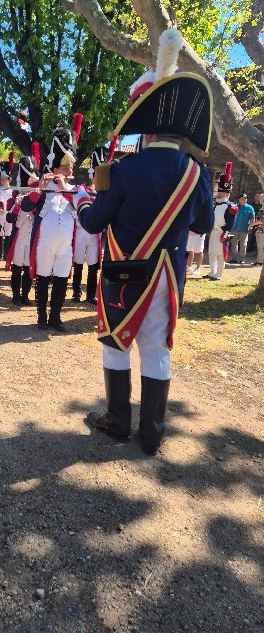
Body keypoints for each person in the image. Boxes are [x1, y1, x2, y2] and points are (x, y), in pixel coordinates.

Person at [73, 28, 214, 456]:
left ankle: (118, 422)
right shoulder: (197, 173)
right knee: (157, 349)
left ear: (146, 128)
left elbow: (93, 223)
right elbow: (204, 224)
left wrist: (85, 202)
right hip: (169, 277)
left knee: (116, 342)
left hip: (125, 275)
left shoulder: (122, 170)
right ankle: (152, 433)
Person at [21, 115, 83, 332]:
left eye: (71, 167)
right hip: (44, 243)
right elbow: (26, 206)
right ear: (56, 169)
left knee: (61, 280)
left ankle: (56, 317)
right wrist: (40, 188)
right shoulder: (43, 187)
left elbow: (82, 210)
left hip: (65, 245)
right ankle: (41, 316)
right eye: (66, 168)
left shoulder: (75, 190)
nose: (71, 171)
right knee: (43, 278)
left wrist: (65, 188)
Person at [5, 154, 39, 306]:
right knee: (17, 268)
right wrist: (17, 205)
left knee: (28, 268)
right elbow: (9, 218)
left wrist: (29, 203)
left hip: (31, 238)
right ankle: (16, 295)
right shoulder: (14, 197)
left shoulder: (36, 197)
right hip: (19, 239)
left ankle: (25, 295)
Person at [72, 147, 105, 304]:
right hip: (81, 231)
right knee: (78, 263)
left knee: (92, 265)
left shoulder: (104, 192)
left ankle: (91, 295)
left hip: (94, 234)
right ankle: (76, 292)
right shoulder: (82, 189)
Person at [204, 170, 238, 281]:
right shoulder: (215, 205)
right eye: (219, 191)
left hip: (222, 232)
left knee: (220, 254)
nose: (219, 194)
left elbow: (231, 223)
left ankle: (218, 274)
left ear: (227, 193)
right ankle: (212, 272)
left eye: (222, 192)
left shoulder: (231, 207)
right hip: (213, 231)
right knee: (212, 253)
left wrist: (226, 234)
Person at [229, 193, 255, 263]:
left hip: (244, 229)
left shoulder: (250, 208)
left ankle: (241, 259)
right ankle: (234, 258)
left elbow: (252, 218)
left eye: (245, 199)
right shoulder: (234, 207)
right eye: (242, 199)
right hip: (234, 228)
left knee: (243, 244)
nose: (244, 200)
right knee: (233, 244)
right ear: (239, 199)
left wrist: (251, 227)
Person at [250, 193, 264, 266]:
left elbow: (262, 220)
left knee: (260, 247)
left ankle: (259, 262)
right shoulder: (262, 208)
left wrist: (252, 224)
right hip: (259, 230)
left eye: (261, 198)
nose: (260, 199)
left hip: (262, 231)